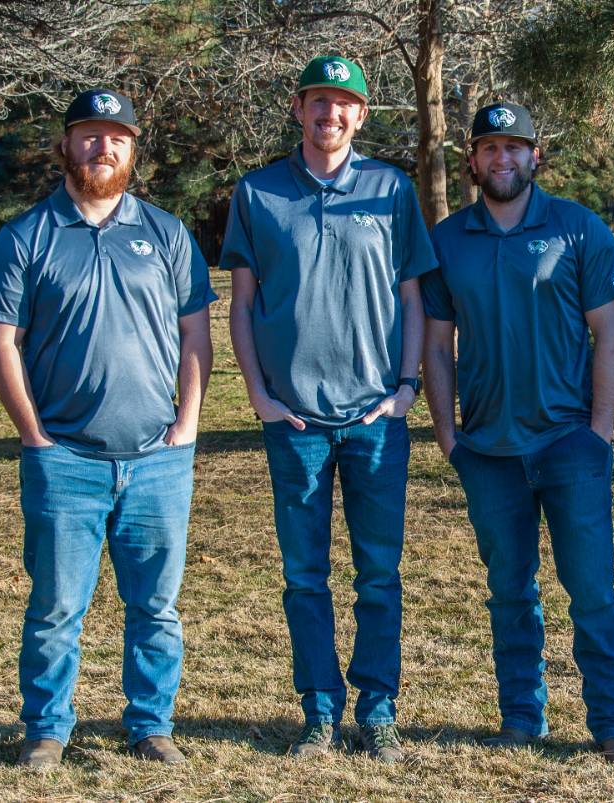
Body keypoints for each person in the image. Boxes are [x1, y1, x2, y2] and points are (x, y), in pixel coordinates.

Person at [0, 88, 217, 770]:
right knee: (55, 608)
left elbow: (196, 335)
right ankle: (48, 728)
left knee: (158, 609)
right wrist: (33, 434)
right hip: (65, 460)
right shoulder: (26, 236)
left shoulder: (166, 234)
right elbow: (1, 341)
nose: (102, 147)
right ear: (66, 144)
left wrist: (186, 427)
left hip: (157, 460)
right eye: (89, 134)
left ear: (133, 149)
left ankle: (151, 724)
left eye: (116, 136)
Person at [219, 55, 436, 763]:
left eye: (345, 104)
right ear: (298, 106)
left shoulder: (392, 189)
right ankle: (318, 711)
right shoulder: (257, 193)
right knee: (304, 576)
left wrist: (406, 389)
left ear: (361, 114)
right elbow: (243, 304)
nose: (330, 114)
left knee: (378, 573)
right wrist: (258, 393)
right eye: (319, 101)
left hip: (375, 418)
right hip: (296, 421)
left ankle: (378, 710)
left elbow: (413, 299)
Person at [422, 102, 614, 769]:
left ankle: (613, 726)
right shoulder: (448, 238)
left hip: (568, 444)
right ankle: (522, 715)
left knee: (593, 592)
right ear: (473, 159)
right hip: (487, 452)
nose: (502, 159)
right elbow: (437, 345)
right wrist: (448, 437)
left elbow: (609, 333)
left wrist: (599, 432)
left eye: (515, 147)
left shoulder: (577, 229)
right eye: (489, 148)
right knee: (509, 590)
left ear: (534, 156)